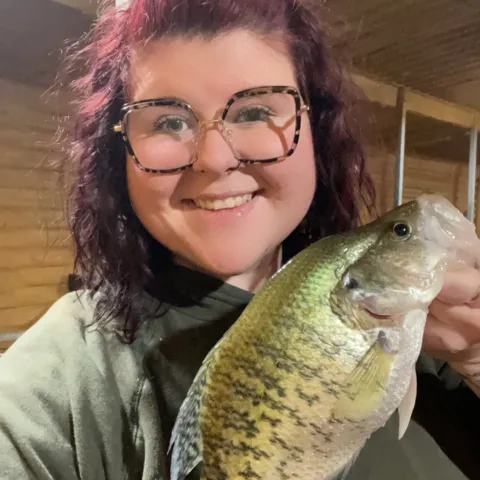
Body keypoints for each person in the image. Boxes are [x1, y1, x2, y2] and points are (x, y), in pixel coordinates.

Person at [0, 0, 479, 478]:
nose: (214, 159)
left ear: (316, 129)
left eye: (254, 111)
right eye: (168, 121)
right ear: (117, 149)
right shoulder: (57, 380)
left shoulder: (441, 332)